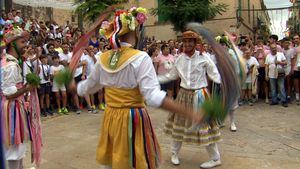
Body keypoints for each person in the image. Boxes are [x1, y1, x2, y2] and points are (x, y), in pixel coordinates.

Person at [70, 7, 201, 169]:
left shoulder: (102, 58)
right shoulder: (140, 58)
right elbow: (152, 96)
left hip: (111, 117)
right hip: (133, 118)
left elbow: (87, 88)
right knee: (136, 161)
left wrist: (73, 87)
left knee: (113, 161)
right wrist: (188, 111)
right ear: (135, 29)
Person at [158, 31, 222, 168]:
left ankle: (216, 158)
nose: (187, 44)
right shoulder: (180, 58)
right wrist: (156, 79)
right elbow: (172, 75)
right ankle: (174, 153)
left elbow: (215, 74)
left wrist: (226, 84)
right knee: (178, 124)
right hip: (183, 95)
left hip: (200, 96)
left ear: (195, 43)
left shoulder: (204, 57)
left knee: (205, 127)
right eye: (185, 41)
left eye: (190, 41)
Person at [1, 26, 42, 168]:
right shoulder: (10, 65)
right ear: (12, 44)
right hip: (11, 108)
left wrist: (34, 58)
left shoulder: (9, 61)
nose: (26, 46)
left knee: (17, 146)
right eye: (22, 43)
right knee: (14, 147)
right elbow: (9, 93)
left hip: (14, 106)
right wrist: (27, 88)